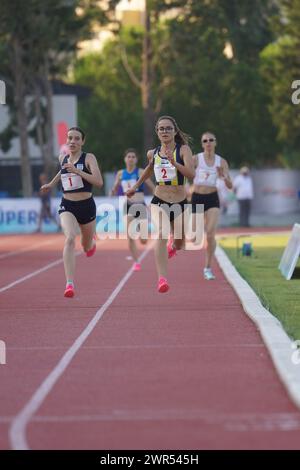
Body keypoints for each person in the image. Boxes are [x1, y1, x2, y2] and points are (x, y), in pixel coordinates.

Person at [126, 115, 195, 293]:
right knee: (162, 233)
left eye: (168, 128)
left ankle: (174, 245)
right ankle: (162, 279)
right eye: (161, 129)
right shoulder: (153, 153)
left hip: (180, 202)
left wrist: (175, 164)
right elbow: (149, 169)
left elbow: (192, 175)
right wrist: (135, 186)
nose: (165, 131)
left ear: (174, 131)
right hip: (159, 200)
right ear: (157, 132)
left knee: (180, 244)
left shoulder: (183, 150)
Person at [40, 126, 103, 297]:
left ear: (82, 141)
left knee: (86, 245)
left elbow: (99, 182)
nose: (72, 141)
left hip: (87, 206)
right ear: (66, 141)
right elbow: (62, 172)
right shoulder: (63, 157)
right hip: (67, 205)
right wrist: (51, 184)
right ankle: (69, 283)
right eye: (70, 138)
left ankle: (91, 244)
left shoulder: (89, 158)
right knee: (69, 239)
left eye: (76, 138)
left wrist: (78, 171)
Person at [191, 131, 232, 280]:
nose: (208, 143)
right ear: (202, 144)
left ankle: (207, 267)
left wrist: (223, 176)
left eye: (211, 140)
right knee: (195, 236)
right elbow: (185, 173)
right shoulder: (196, 159)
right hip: (197, 197)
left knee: (210, 234)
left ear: (215, 143)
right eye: (205, 140)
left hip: (212, 198)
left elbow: (230, 185)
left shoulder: (221, 162)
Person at [110, 148, 155, 271]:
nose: (130, 159)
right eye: (128, 156)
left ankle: (142, 233)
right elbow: (115, 187)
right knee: (130, 235)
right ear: (125, 159)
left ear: (136, 159)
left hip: (140, 205)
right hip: (127, 205)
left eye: (133, 157)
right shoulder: (120, 173)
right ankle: (136, 262)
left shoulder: (140, 172)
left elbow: (152, 187)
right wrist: (113, 191)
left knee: (144, 240)